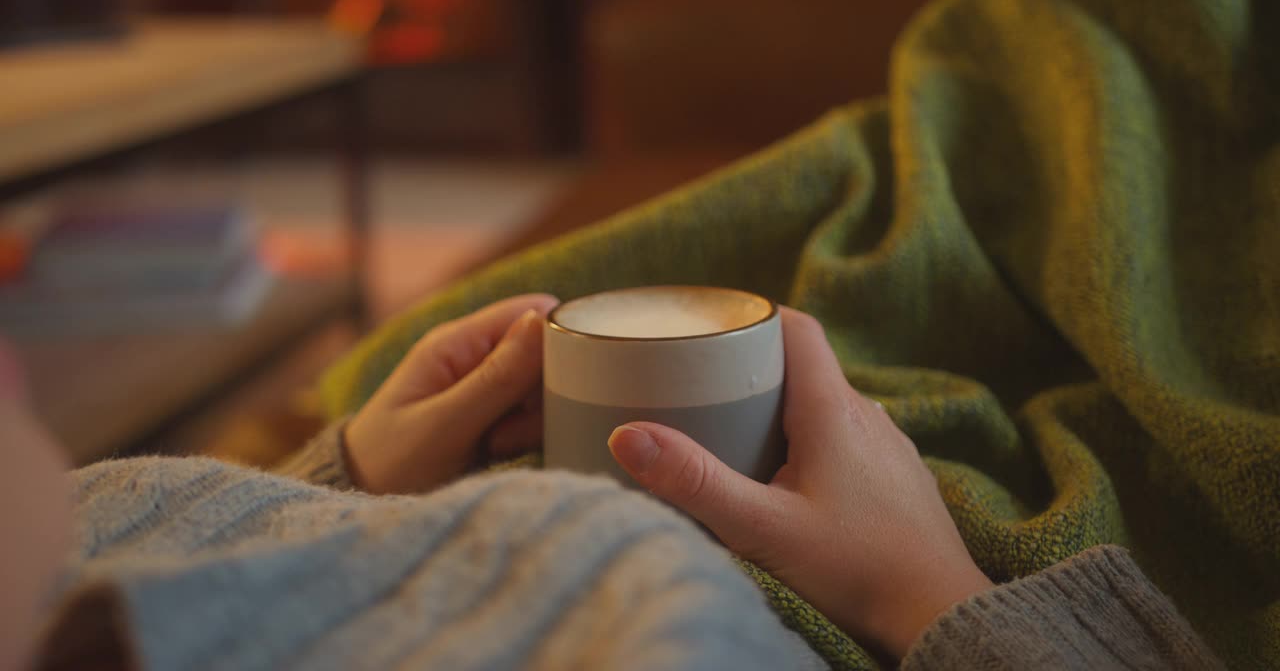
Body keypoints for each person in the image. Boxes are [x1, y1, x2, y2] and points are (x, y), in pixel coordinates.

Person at [1, 295, 1221, 670]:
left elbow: (219, 584)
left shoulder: (83, 549)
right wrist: (933, 589)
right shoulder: (639, 616)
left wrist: (348, 474)